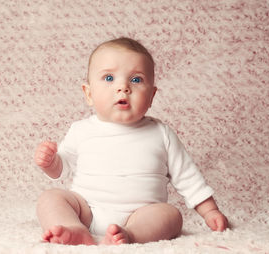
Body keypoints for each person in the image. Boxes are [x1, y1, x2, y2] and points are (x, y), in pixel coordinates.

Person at [34, 37, 228, 245]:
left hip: (141, 215)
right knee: (51, 198)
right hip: (86, 210)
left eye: (136, 80)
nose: (123, 87)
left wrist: (210, 211)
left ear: (152, 95)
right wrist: (51, 162)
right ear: (88, 94)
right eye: (109, 78)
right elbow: (62, 170)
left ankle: (131, 235)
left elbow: (188, 177)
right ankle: (74, 228)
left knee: (171, 215)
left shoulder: (161, 133)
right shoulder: (81, 130)